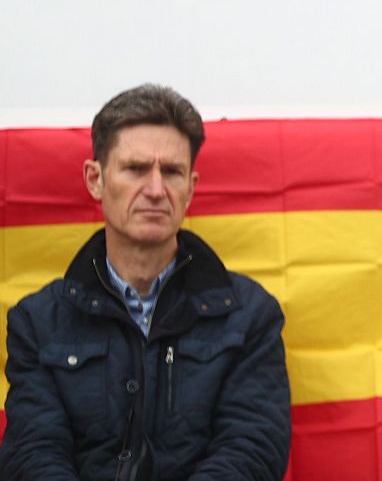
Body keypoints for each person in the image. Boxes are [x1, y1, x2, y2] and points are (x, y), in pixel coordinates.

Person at [0, 84, 291, 480]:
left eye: (171, 172)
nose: (155, 190)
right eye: (136, 169)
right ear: (95, 179)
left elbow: (251, 451)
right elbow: (33, 454)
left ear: (191, 187)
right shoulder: (36, 322)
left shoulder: (250, 315)